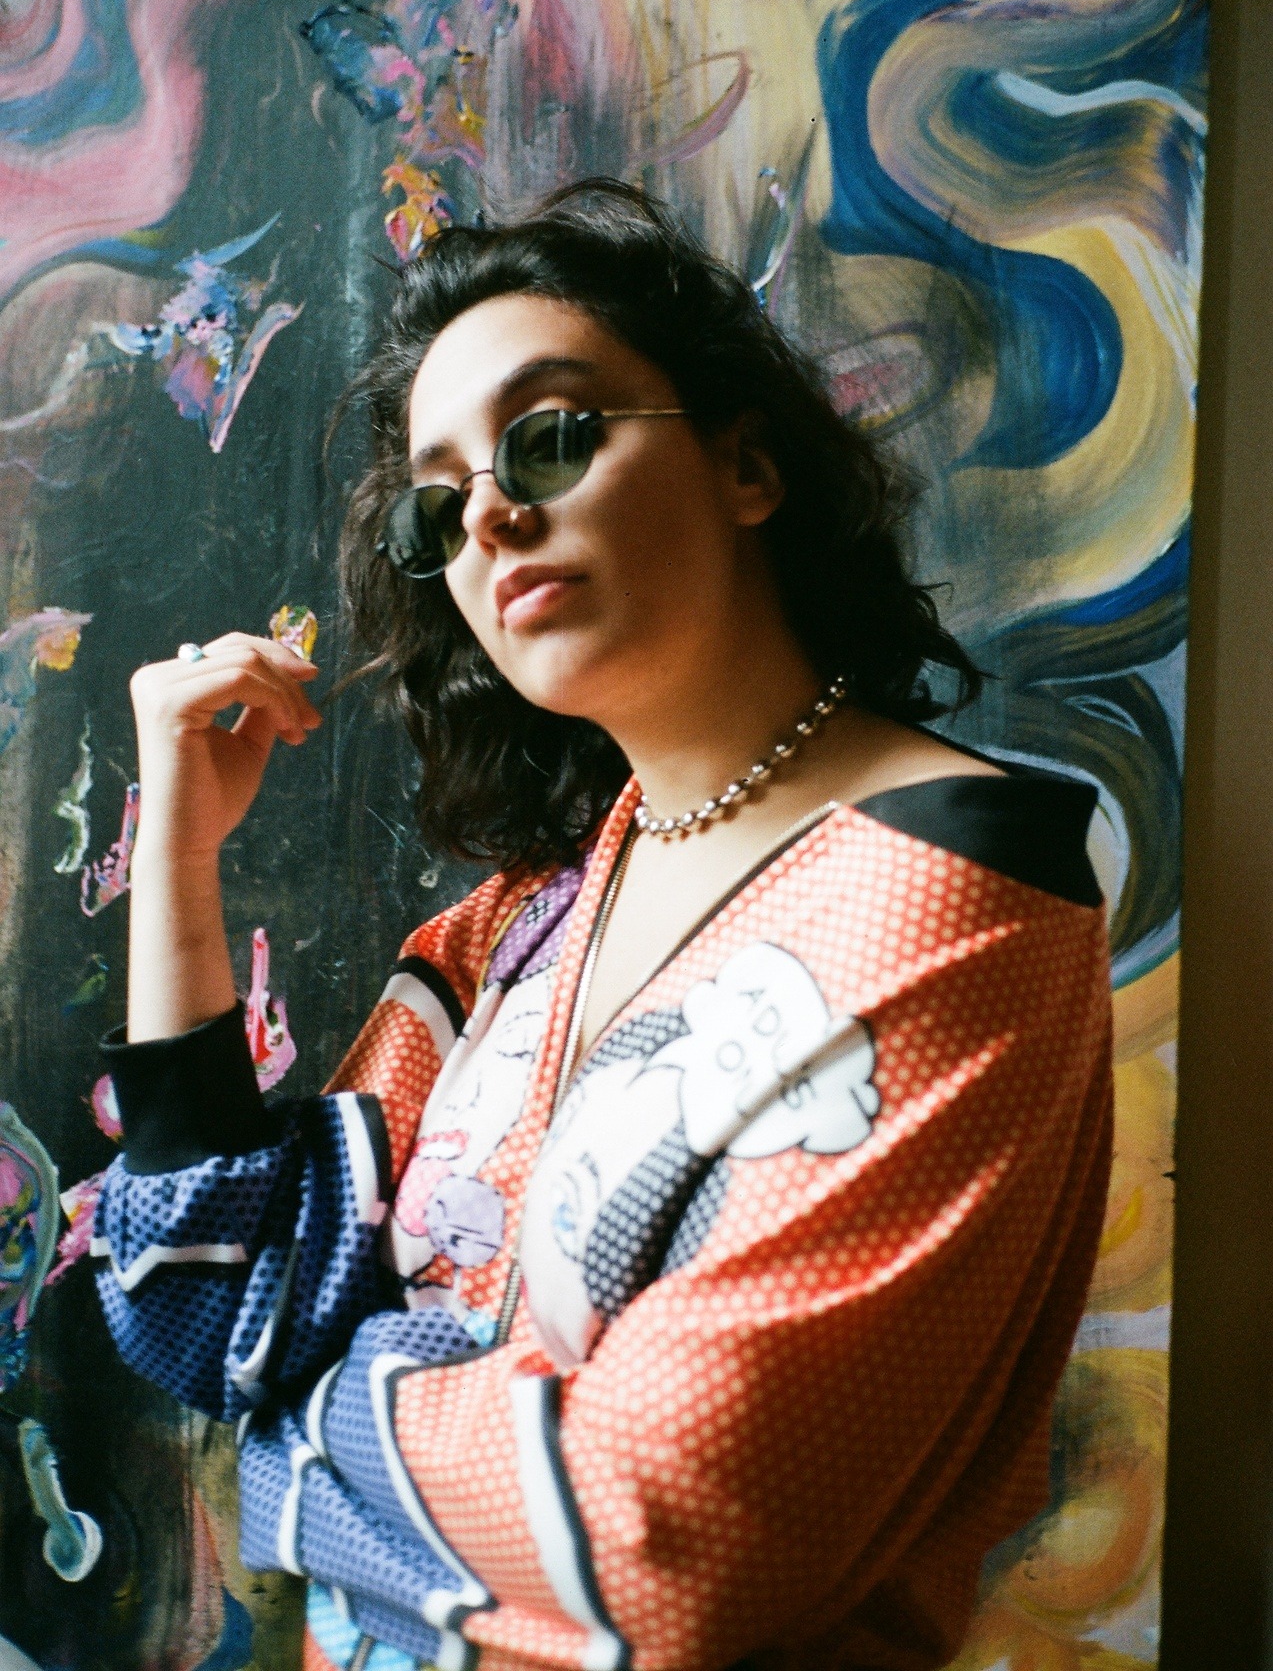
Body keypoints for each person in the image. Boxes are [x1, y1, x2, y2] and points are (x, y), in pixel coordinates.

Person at [92, 182, 1113, 1671]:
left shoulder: (950, 884)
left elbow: (663, 1532)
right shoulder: (521, 927)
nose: (490, 515)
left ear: (746, 463)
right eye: (437, 503)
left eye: (552, 435)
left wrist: (291, 1441)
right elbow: (214, 1307)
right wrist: (178, 860)